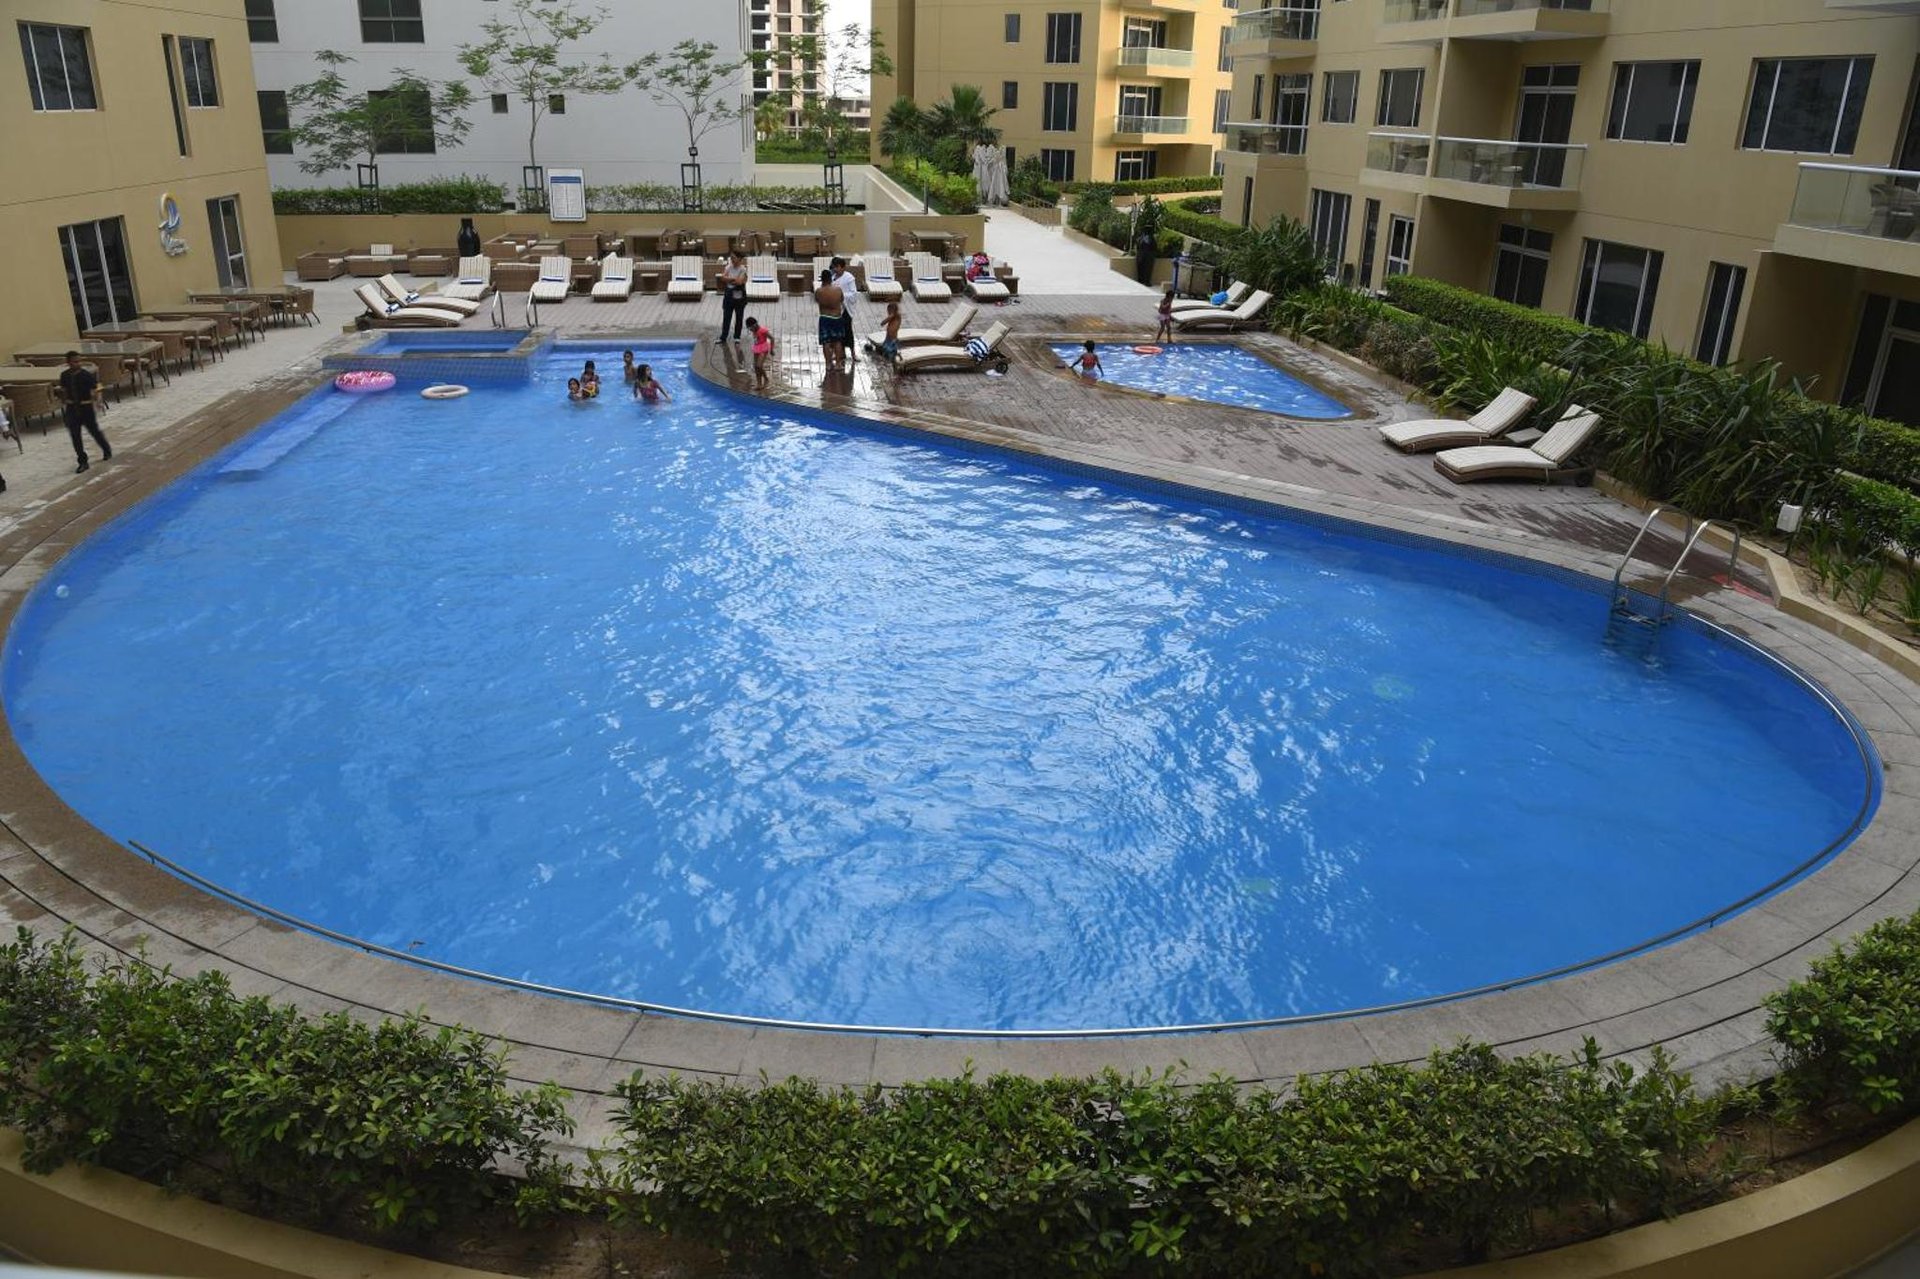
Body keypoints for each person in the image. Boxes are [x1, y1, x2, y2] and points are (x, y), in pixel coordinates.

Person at [58, 351, 111, 474]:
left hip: (85, 407)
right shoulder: (64, 375)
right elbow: (63, 389)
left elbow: (97, 388)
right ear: (68, 362)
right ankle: (82, 461)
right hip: (71, 408)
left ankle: (106, 449)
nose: (77, 364)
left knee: (94, 431)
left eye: (79, 361)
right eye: (74, 362)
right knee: (75, 435)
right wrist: (63, 400)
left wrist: (98, 400)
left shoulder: (85, 375)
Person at [813, 268, 846, 374]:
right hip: (836, 318)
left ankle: (828, 364)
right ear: (830, 279)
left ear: (822, 279)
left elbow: (817, 300)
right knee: (837, 341)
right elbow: (841, 300)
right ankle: (838, 364)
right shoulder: (838, 290)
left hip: (824, 318)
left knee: (826, 342)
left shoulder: (819, 291)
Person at [830, 257, 859, 366]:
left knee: (848, 331)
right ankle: (839, 353)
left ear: (843, 267)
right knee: (837, 332)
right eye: (834, 267)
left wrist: (841, 296)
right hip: (836, 309)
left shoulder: (849, 278)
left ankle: (853, 354)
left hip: (846, 309)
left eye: (837, 267)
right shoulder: (832, 278)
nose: (835, 269)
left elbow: (853, 294)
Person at [718, 251, 749, 345]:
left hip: (739, 294)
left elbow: (739, 282)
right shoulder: (728, 267)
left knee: (739, 316)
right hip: (729, 294)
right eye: (731, 258)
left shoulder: (743, 269)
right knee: (726, 317)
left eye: (733, 258)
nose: (732, 260)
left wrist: (729, 279)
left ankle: (737, 337)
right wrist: (733, 279)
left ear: (739, 259)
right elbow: (722, 278)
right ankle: (723, 337)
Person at [746, 317, 773, 390]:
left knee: (759, 366)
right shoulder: (754, 330)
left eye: (750, 328)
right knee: (756, 367)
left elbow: (772, 338)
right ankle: (759, 384)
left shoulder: (763, 330)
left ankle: (766, 378)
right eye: (749, 328)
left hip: (763, 349)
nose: (750, 330)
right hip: (756, 348)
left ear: (755, 325)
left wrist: (771, 350)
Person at [880, 301, 903, 366]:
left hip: (893, 339)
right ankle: (886, 361)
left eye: (889, 311)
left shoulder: (897, 316)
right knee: (886, 350)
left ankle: (892, 361)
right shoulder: (893, 317)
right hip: (889, 337)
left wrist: (883, 322)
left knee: (891, 352)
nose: (888, 313)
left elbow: (886, 320)